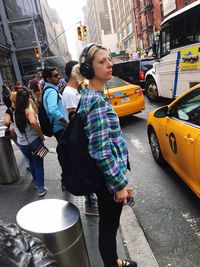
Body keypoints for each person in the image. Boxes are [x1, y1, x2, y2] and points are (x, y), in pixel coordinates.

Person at [78, 43, 137, 267]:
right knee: (108, 230)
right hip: (108, 182)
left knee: (108, 227)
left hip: (106, 179)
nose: (109, 64)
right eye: (102, 61)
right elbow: (100, 151)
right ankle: (115, 265)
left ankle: (114, 262)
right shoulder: (95, 101)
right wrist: (119, 185)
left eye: (109, 58)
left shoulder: (92, 95)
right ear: (88, 69)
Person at [62, 60, 98, 216]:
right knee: (85, 169)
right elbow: (73, 117)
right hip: (79, 137)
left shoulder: (77, 90)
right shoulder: (69, 93)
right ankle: (90, 205)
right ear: (73, 74)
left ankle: (92, 202)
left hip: (84, 135)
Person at [13, 89, 47, 197]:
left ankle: (37, 183)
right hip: (34, 141)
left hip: (22, 144)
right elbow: (33, 122)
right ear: (27, 99)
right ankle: (41, 188)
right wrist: (41, 135)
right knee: (38, 163)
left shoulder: (15, 112)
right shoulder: (28, 111)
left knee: (31, 162)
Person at [42, 67, 68, 141]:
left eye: (58, 75)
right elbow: (53, 110)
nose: (59, 77)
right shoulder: (51, 92)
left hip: (58, 128)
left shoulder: (48, 89)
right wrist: (66, 123)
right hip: (60, 128)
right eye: (55, 76)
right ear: (48, 79)